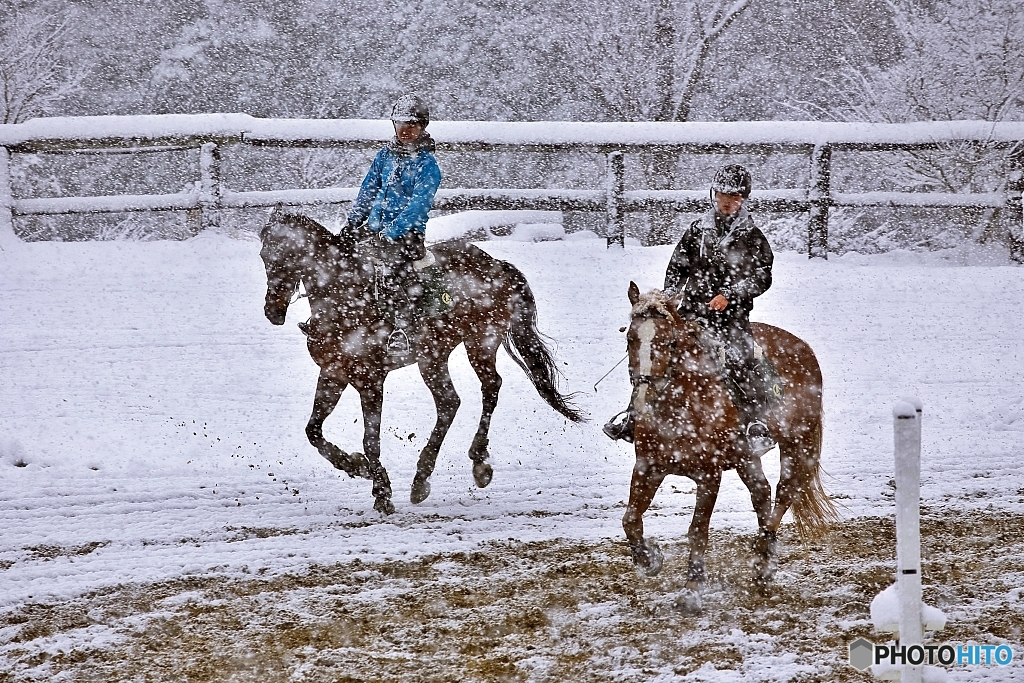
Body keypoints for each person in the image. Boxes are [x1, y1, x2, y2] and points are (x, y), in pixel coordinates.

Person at [603, 164, 777, 456]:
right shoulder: (697, 230)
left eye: (733, 196)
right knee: (654, 353)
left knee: (741, 359)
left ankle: (755, 424)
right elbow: (677, 269)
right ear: (714, 195)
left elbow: (762, 276)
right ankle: (634, 417)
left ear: (743, 199)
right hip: (692, 313)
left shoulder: (753, 236)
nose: (726, 200)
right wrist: (667, 297)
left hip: (731, 318)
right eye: (722, 194)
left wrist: (730, 295)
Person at [339, 93, 443, 355]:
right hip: (374, 229)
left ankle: (404, 330)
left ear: (422, 127)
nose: (404, 130)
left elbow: (418, 205)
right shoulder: (384, 156)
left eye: (411, 125)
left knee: (395, 274)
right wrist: (354, 222)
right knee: (341, 260)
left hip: (406, 234)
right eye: (400, 124)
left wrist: (392, 233)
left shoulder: (427, 165)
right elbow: (368, 189)